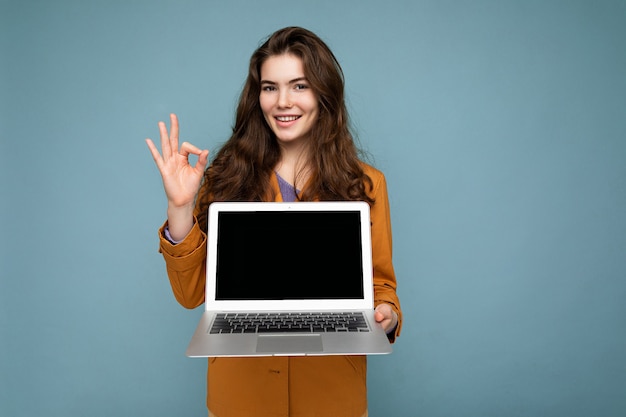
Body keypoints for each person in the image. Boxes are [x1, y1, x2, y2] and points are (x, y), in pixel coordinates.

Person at [146, 26, 402, 417]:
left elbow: (380, 282)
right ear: (257, 95)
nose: (283, 102)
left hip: (333, 396)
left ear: (324, 94)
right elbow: (190, 294)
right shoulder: (224, 176)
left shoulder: (366, 184)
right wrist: (179, 207)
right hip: (240, 398)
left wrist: (387, 313)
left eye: (299, 86)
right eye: (270, 87)